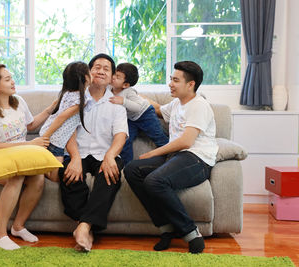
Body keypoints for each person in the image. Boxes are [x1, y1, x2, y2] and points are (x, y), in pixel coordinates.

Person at [123, 61, 218, 254]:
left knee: (154, 180)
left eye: (175, 80)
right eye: (171, 79)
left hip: (197, 159)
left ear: (190, 84)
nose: (170, 84)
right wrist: (131, 94)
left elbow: (186, 142)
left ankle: (190, 232)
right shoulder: (177, 103)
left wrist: (153, 152)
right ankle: (165, 227)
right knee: (132, 169)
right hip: (176, 157)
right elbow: (157, 109)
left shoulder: (199, 105)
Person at [0, 64, 56, 250]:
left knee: (37, 178)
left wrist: (51, 108)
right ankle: (0, 235)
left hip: (19, 155)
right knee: (17, 176)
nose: (13, 82)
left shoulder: (18, 101)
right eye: (7, 79)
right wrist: (29, 144)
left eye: (11, 77)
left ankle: (18, 227)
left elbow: (31, 125)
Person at [58, 53, 128, 252]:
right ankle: (87, 228)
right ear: (89, 72)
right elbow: (68, 130)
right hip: (77, 152)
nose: (101, 71)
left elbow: (121, 136)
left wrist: (110, 156)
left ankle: (83, 226)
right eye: (97, 67)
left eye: (106, 68)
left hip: (105, 153)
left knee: (110, 174)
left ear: (112, 77)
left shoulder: (116, 104)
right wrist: (75, 157)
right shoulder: (74, 97)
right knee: (68, 175)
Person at [39, 61, 91, 182]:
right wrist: (45, 138)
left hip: (50, 135)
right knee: (55, 177)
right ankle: (39, 172)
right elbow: (61, 117)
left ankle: (41, 169)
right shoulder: (81, 100)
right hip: (54, 140)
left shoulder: (67, 93)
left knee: (53, 173)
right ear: (86, 77)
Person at [109, 62, 169, 164]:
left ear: (126, 85)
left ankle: (170, 154)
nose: (113, 77)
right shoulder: (109, 89)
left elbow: (137, 107)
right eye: (114, 74)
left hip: (145, 114)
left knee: (158, 135)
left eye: (118, 77)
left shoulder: (129, 92)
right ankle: (126, 165)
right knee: (125, 141)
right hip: (131, 119)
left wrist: (123, 101)